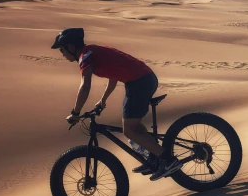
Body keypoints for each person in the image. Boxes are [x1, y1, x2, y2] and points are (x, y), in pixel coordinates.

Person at [52, 27, 181, 181]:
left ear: (71, 46)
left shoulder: (85, 56)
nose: (62, 54)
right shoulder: (92, 52)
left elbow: (85, 86)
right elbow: (113, 76)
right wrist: (103, 100)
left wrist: (75, 113)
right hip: (140, 80)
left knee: (129, 130)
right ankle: (154, 157)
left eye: (62, 49)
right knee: (134, 125)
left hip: (139, 82)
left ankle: (168, 160)